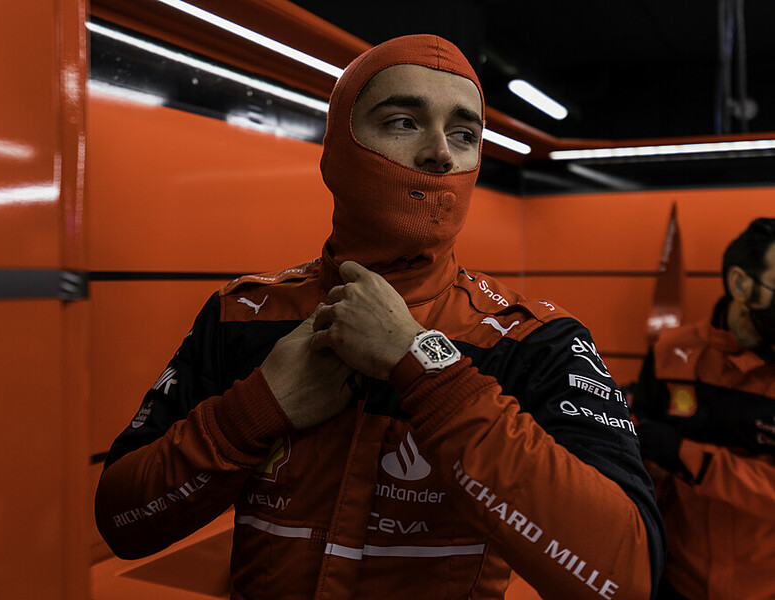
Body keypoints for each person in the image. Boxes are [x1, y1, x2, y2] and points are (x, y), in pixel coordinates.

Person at [95, 34, 665, 599]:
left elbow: (625, 576)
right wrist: (257, 410)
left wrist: (427, 369)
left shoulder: (535, 341)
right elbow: (122, 521)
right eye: (403, 122)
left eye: (464, 134)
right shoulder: (241, 315)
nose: (441, 153)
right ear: (337, 151)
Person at [632, 217, 775, 600]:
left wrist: (688, 456)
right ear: (741, 284)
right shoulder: (670, 350)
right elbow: (638, 451)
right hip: (677, 577)